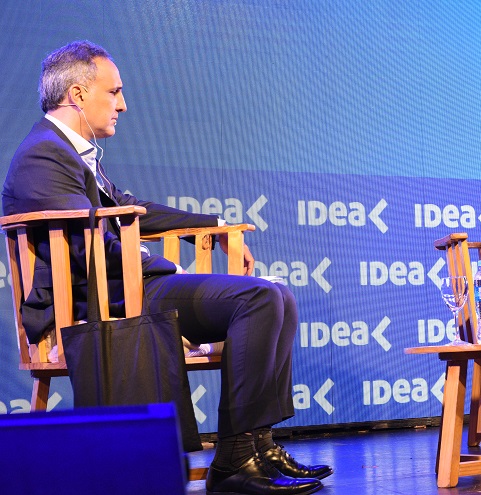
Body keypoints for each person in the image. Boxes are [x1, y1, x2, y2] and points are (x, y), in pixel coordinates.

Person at [2, 41, 331, 495]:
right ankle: (235, 459)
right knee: (256, 299)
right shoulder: (43, 155)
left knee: (279, 295)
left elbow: (129, 208)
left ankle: (259, 445)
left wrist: (213, 225)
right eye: (114, 92)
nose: (122, 104)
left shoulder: (68, 150)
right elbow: (87, 248)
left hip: (124, 290)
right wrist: (167, 266)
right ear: (77, 94)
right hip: (101, 304)